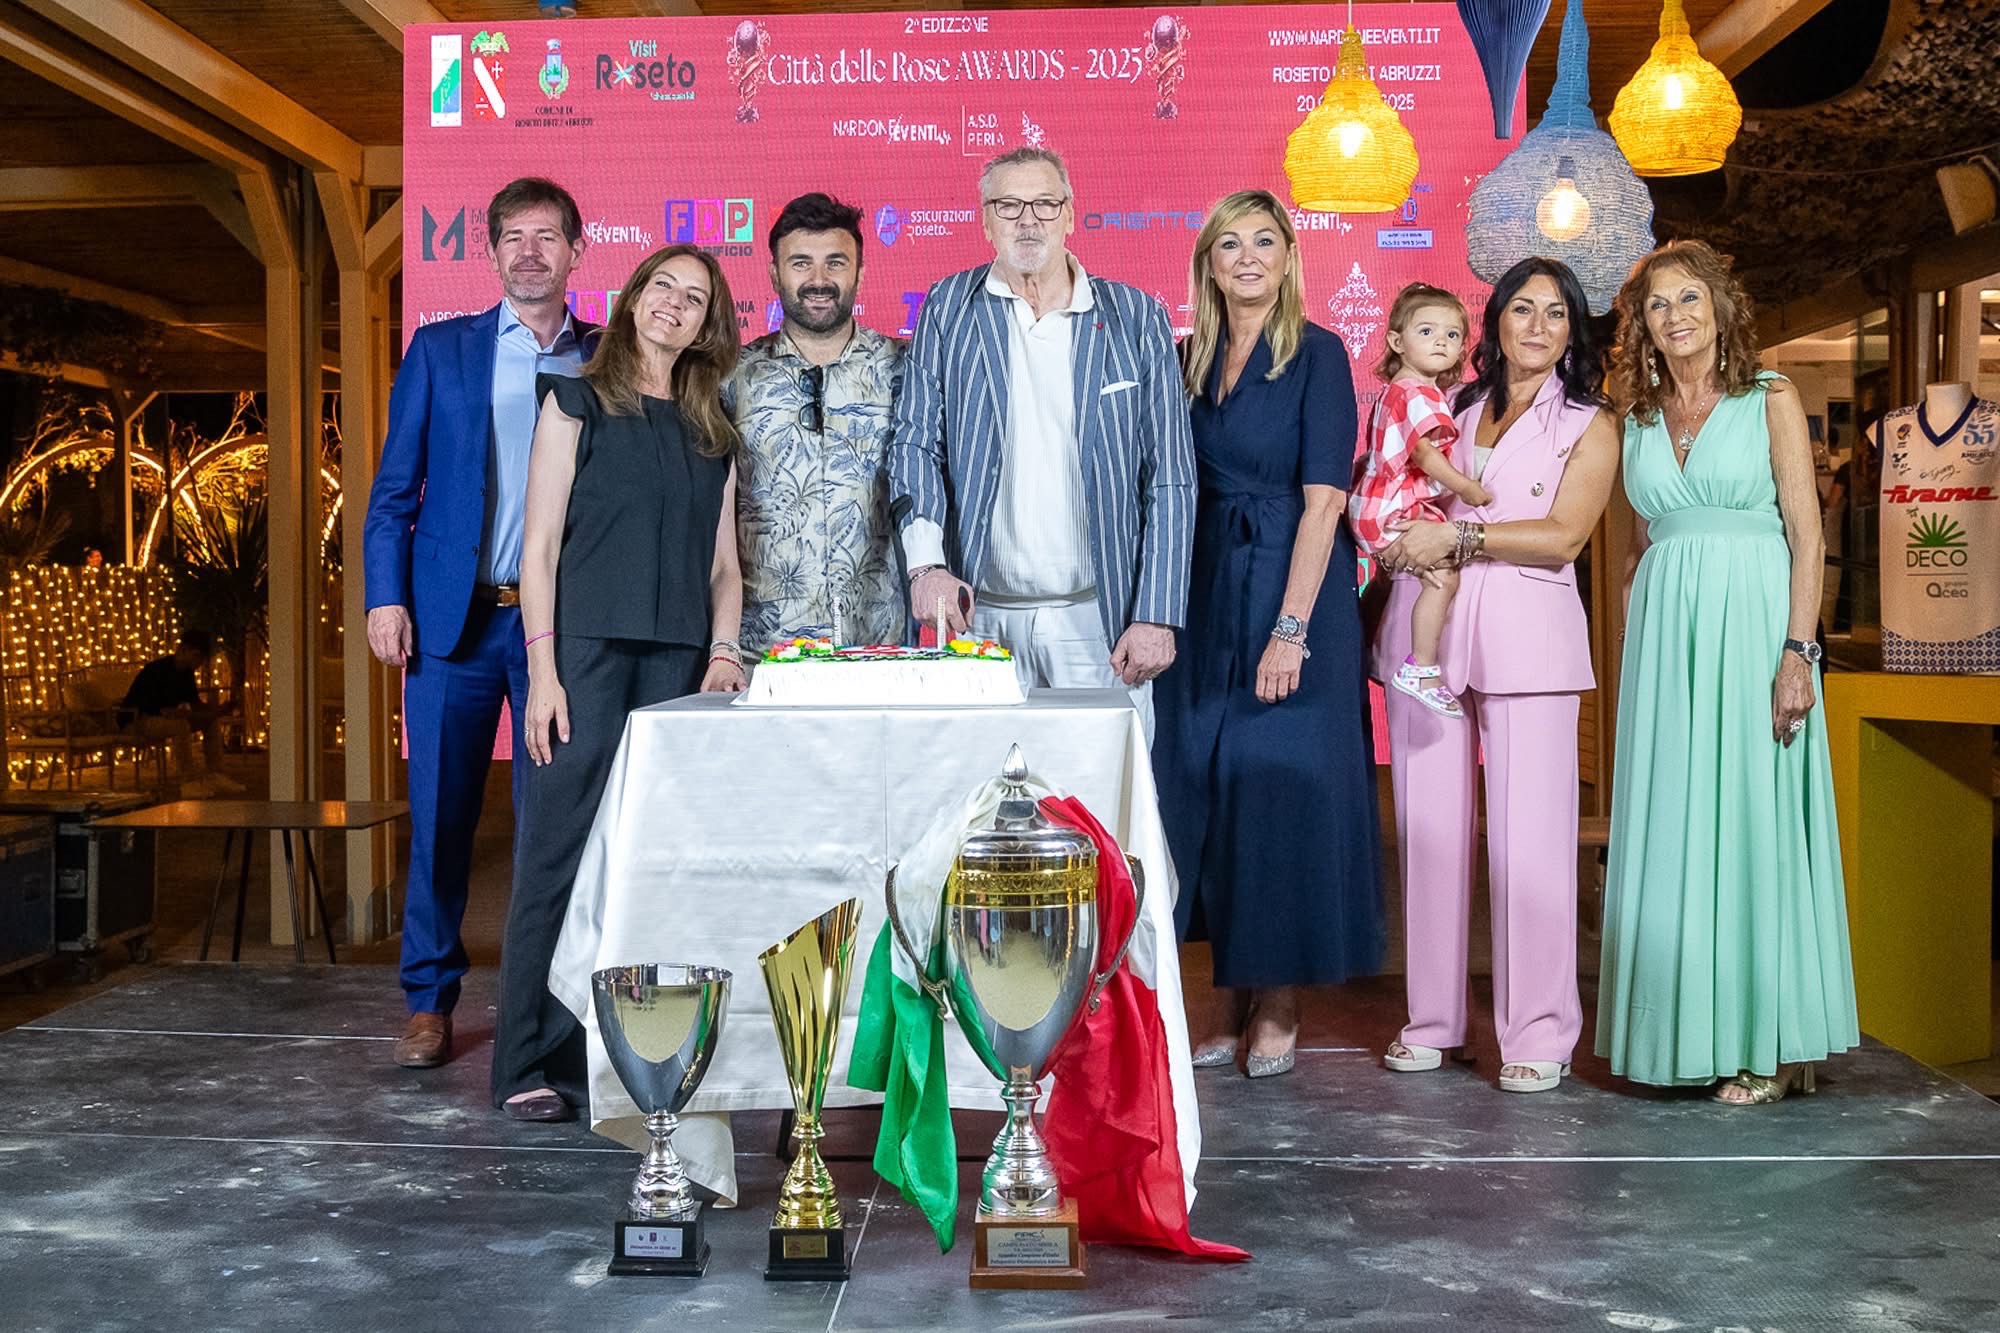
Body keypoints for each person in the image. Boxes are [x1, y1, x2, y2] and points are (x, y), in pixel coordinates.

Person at [1594, 239, 1858, 1104]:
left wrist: (1798, 651)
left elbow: (1807, 535)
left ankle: (1772, 1043)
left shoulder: (1769, 396)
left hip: (1753, 626)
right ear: (1641, 325)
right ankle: (1689, 1037)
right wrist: (1638, 641)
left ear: (1720, 307)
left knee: (1752, 820)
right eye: (1657, 304)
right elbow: (1640, 546)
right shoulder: (1638, 417)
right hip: (1667, 643)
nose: (1675, 315)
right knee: (1678, 824)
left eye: (1689, 298)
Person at [494, 245, 747, 1122]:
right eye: (662, 286)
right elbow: (538, 550)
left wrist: (724, 651)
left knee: (645, 862)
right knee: (556, 855)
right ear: (634, 298)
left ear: (708, 324)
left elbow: (725, 566)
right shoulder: (572, 401)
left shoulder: (714, 430)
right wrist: (542, 673)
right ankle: (526, 1060)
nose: (674, 303)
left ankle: (616, 1055)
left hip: (679, 670)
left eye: (694, 297)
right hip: (585, 660)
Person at [363, 177, 595, 1072]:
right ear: (492, 252)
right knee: (440, 819)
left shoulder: (605, 357)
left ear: (577, 251)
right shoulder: (440, 350)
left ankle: (541, 1006)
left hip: (556, 633)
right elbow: (394, 491)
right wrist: (385, 596)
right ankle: (429, 1000)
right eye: (513, 238)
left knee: (552, 825)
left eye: (547, 236)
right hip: (451, 626)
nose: (530, 252)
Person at [1372, 257, 1620, 1094]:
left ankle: (1539, 1030)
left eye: (1555, 312)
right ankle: (1433, 1022)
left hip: (1531, 638)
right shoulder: (1454, 404)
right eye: (1522, 308)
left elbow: (1564, 535)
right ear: (1496, 321)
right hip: (1429, 632)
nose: (1537, 325)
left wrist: (1461, 538)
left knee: (1533, 845)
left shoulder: (1590, 421)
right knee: (1429, 834)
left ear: (1573, 329)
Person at [1151, 189, 1383, 1078]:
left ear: (1288, 256)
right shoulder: (1185, 357)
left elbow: (1325, 502)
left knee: (1278, 790)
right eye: (1229, 244)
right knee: (1206, 787)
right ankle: (1230, 986)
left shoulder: (1319, 352)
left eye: (1263, 241)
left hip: (1295, 584)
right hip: (1205, 587)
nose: (1247, 257)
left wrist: (1291, 629)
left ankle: (1280, 993)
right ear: (1208, 263)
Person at [888, 146, 1194, 733]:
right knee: (982, 784)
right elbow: (915, 444)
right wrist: (925, 566)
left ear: (1070, 214)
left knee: (1101, 786)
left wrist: (1156, 612)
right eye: (1008, 205)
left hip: (1099, 624)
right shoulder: (948, 308)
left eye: (1045, 204)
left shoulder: (1136, 317)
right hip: (980, 620)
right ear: (985, 221)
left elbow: (1172, 477)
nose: (1028, 221)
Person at [727, 192, 906, 652]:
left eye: (835, 263)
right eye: (801, 263)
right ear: (774, 273)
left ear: (860, 273)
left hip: (878, 648)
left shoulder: (904, 369)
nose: (819, 280)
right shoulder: (732, 376)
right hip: (761, 652)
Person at [1349, 283, 1488, 717]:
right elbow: (1425, 454)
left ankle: (1368, 646)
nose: (1440, 342)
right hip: (1391, 506)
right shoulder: (1416, 393)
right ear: (1396, 341)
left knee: (1403, 579)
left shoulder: (1400, 389)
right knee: (1442, 577)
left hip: (1381, 503)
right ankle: (1421, 668)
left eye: (1452, 335)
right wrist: (1466, 487)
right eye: (1426, 331)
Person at [121, 630, 240, 794]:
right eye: (197, 656)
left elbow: (194, 704)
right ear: (183, 650)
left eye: (202, 658)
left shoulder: (186, 673)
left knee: (210, 722)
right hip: (137, 720)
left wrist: (216, 711)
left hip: (165, 718)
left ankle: (216, 774)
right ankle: (188, 782)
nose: (200, 662)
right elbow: (154, 708)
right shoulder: (155, 670)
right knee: (180, 726)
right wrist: (175, 713)